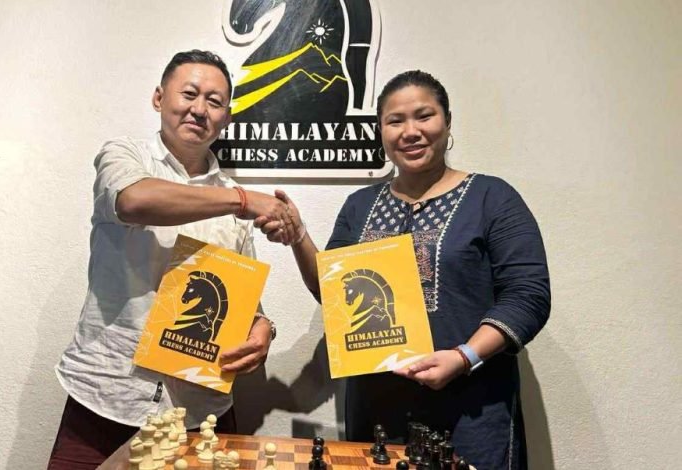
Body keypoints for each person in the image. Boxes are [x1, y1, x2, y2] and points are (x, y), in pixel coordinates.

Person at [256, 70, 550, 469]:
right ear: (381, 131)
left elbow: (528, 297)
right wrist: (299, 236)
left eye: (424, 116)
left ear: (447, 121)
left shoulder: (492, 198)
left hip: (473, 408)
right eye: (395, 121)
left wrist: (464, 356)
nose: (411, 131)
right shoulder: (360, 206)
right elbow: (334, 295)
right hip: (377, 410)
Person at [48, 50, 295, 469]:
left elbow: (243, 301)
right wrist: (241, 200)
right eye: (189, 94)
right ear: (159, 98)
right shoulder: (125, 156)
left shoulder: (231, 200)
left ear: (226, 118)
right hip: (108, 394)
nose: (199, 109)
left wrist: (262, 329)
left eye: (214, 101)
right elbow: (133, 201)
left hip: (197, 408)